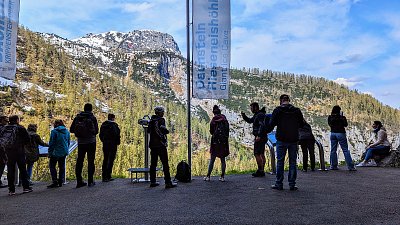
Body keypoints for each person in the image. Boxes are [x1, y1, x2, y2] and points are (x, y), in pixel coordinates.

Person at [266, 94, 305, 191]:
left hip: (281, 139)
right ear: (289, 100)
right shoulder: (297, 111)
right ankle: (292, 184)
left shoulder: (277, 110)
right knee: (293, 162)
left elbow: (271, 124)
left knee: (280, 162)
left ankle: (279, 183)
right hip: (293, 140)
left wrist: (263, 131)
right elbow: (301, 124)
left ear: (281, 101)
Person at [70, 103, 99, 188]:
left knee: (79, 161)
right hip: (91, 142)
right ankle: (90, 181)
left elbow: (71, 130)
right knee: (90, 161)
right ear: (91, 109)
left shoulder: (78, 117)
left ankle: (79, 181)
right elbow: (96, 131)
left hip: (81, 142)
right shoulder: (92, 118)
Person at [2, 115, 32, 195]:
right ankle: (26, 187)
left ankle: (11, 190)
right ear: (17, 120)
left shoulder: (5, 128)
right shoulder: (20, 128)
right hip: (19, 151)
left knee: (10, 170)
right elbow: (27, 139)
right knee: (22, 169)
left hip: (8, 151)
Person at [149, 106, 176, 188]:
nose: (163, 113)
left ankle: (152, 181)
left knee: (153, 164)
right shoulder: (161, 120)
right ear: (159, 112)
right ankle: (168, 182)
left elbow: (149, 131)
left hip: (152, 145)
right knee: (165, 163)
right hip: (160, 144)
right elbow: (162, 130)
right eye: (162, 112)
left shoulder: (151, 120)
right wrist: (165, 133)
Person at [204, 105, 230, 182]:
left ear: (213, 112)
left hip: (215, 142)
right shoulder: (224, 119)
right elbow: (227, 130)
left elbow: (211, 132)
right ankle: (222, 177)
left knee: (212, 159)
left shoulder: (213, 120)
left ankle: (208, 176)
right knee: (223, 159)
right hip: (223, 142)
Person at [241, 102, 267, 177]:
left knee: (257, 153)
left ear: (256, 107)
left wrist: (258, 135)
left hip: (259, 137)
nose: (251, 109)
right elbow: (250, 120)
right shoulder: (258, 114)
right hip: (263, 136)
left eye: (252, 108)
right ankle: (262, 170)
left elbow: (261, 125)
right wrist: (244, 116)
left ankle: (260, 170)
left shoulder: (259, 115)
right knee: (261, 153)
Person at [328, 105, 356, 171]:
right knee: (345, 150)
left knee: (333, 150)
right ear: (339, 111)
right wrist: (341, 117)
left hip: (333, 133)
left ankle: (333, 166)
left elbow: (330, 124)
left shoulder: (330, 117)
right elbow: (345, 125)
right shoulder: (342, 117)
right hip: (341, 133)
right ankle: (351, 167)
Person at [47, 120, 70, 188]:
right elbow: (68, 142)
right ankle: (61, 181)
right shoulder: (67, 131)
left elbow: (52, 143)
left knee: (52, 166)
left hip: (55, 152)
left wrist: (50, 152)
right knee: (62, 166)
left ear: (55, 124)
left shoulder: (54, 132)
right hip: (64, 151)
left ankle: (55, 181)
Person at [99, 113, 121, 182]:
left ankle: (104, 176)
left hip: (105, 144)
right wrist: (117, 142)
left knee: (105, 159)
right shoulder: (114, 125)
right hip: (112, 144)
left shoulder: (103, 125)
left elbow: (100, 135)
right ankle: (108, 175)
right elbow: (117, 134)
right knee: (111, 160)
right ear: (113, 118)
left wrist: (104, 141)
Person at [0, 115, 9, 188]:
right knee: (2, 164)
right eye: (6, 121)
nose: (7, 122)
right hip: (1, 150)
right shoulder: (3, 129)